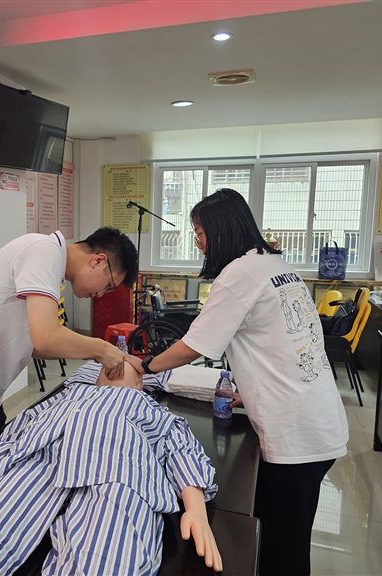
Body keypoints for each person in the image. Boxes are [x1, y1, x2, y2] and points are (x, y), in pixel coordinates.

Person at [139, 188, 348, 576]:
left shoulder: (238, 275)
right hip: (316, 418)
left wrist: (145, 367)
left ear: (221, 229)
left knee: (281, 552)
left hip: (296, 434)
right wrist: (249, 395)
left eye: (200, 233)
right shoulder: (274, 264)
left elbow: (192, 347)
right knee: (282, 538)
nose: (198, 243)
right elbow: (279, 346)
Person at [0, 361, 222, 576]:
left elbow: (181, 449)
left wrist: (194, 508)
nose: (119, 360)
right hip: (37, 463)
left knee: (108, 558)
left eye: (129, 362)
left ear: (141, 384)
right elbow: (12, 439)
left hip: (119, 471)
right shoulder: (65, 396)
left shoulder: (153, 410)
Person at [0, 228, 140, 505]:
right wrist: (101, 349)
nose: (101, 294)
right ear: (98, 260)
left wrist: (98, 355)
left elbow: (36, 345)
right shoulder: (44, 251)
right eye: (108, 285)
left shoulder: (50, 265)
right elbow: (46, 337)